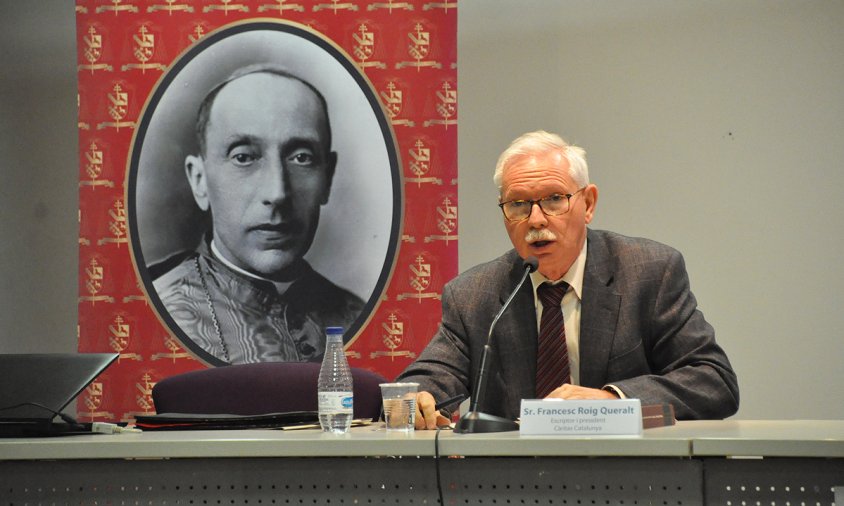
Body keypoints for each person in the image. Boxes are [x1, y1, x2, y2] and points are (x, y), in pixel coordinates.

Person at [398, 130, 739, 429]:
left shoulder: (648, 273)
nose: (535, 219)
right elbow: (427, 381)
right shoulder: (474, 295)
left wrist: (613, 399)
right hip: (510, 487)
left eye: (553, 199)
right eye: (518, 204)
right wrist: (419, 398)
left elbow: (713, 381)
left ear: (588, 203)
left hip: (629, 483)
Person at [151, 64, 364, 364]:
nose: (277, 193)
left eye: (301, 158)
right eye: (244, 157)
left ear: (327, 179)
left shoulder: (359, 315)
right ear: (199, 181)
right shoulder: (156, 312)